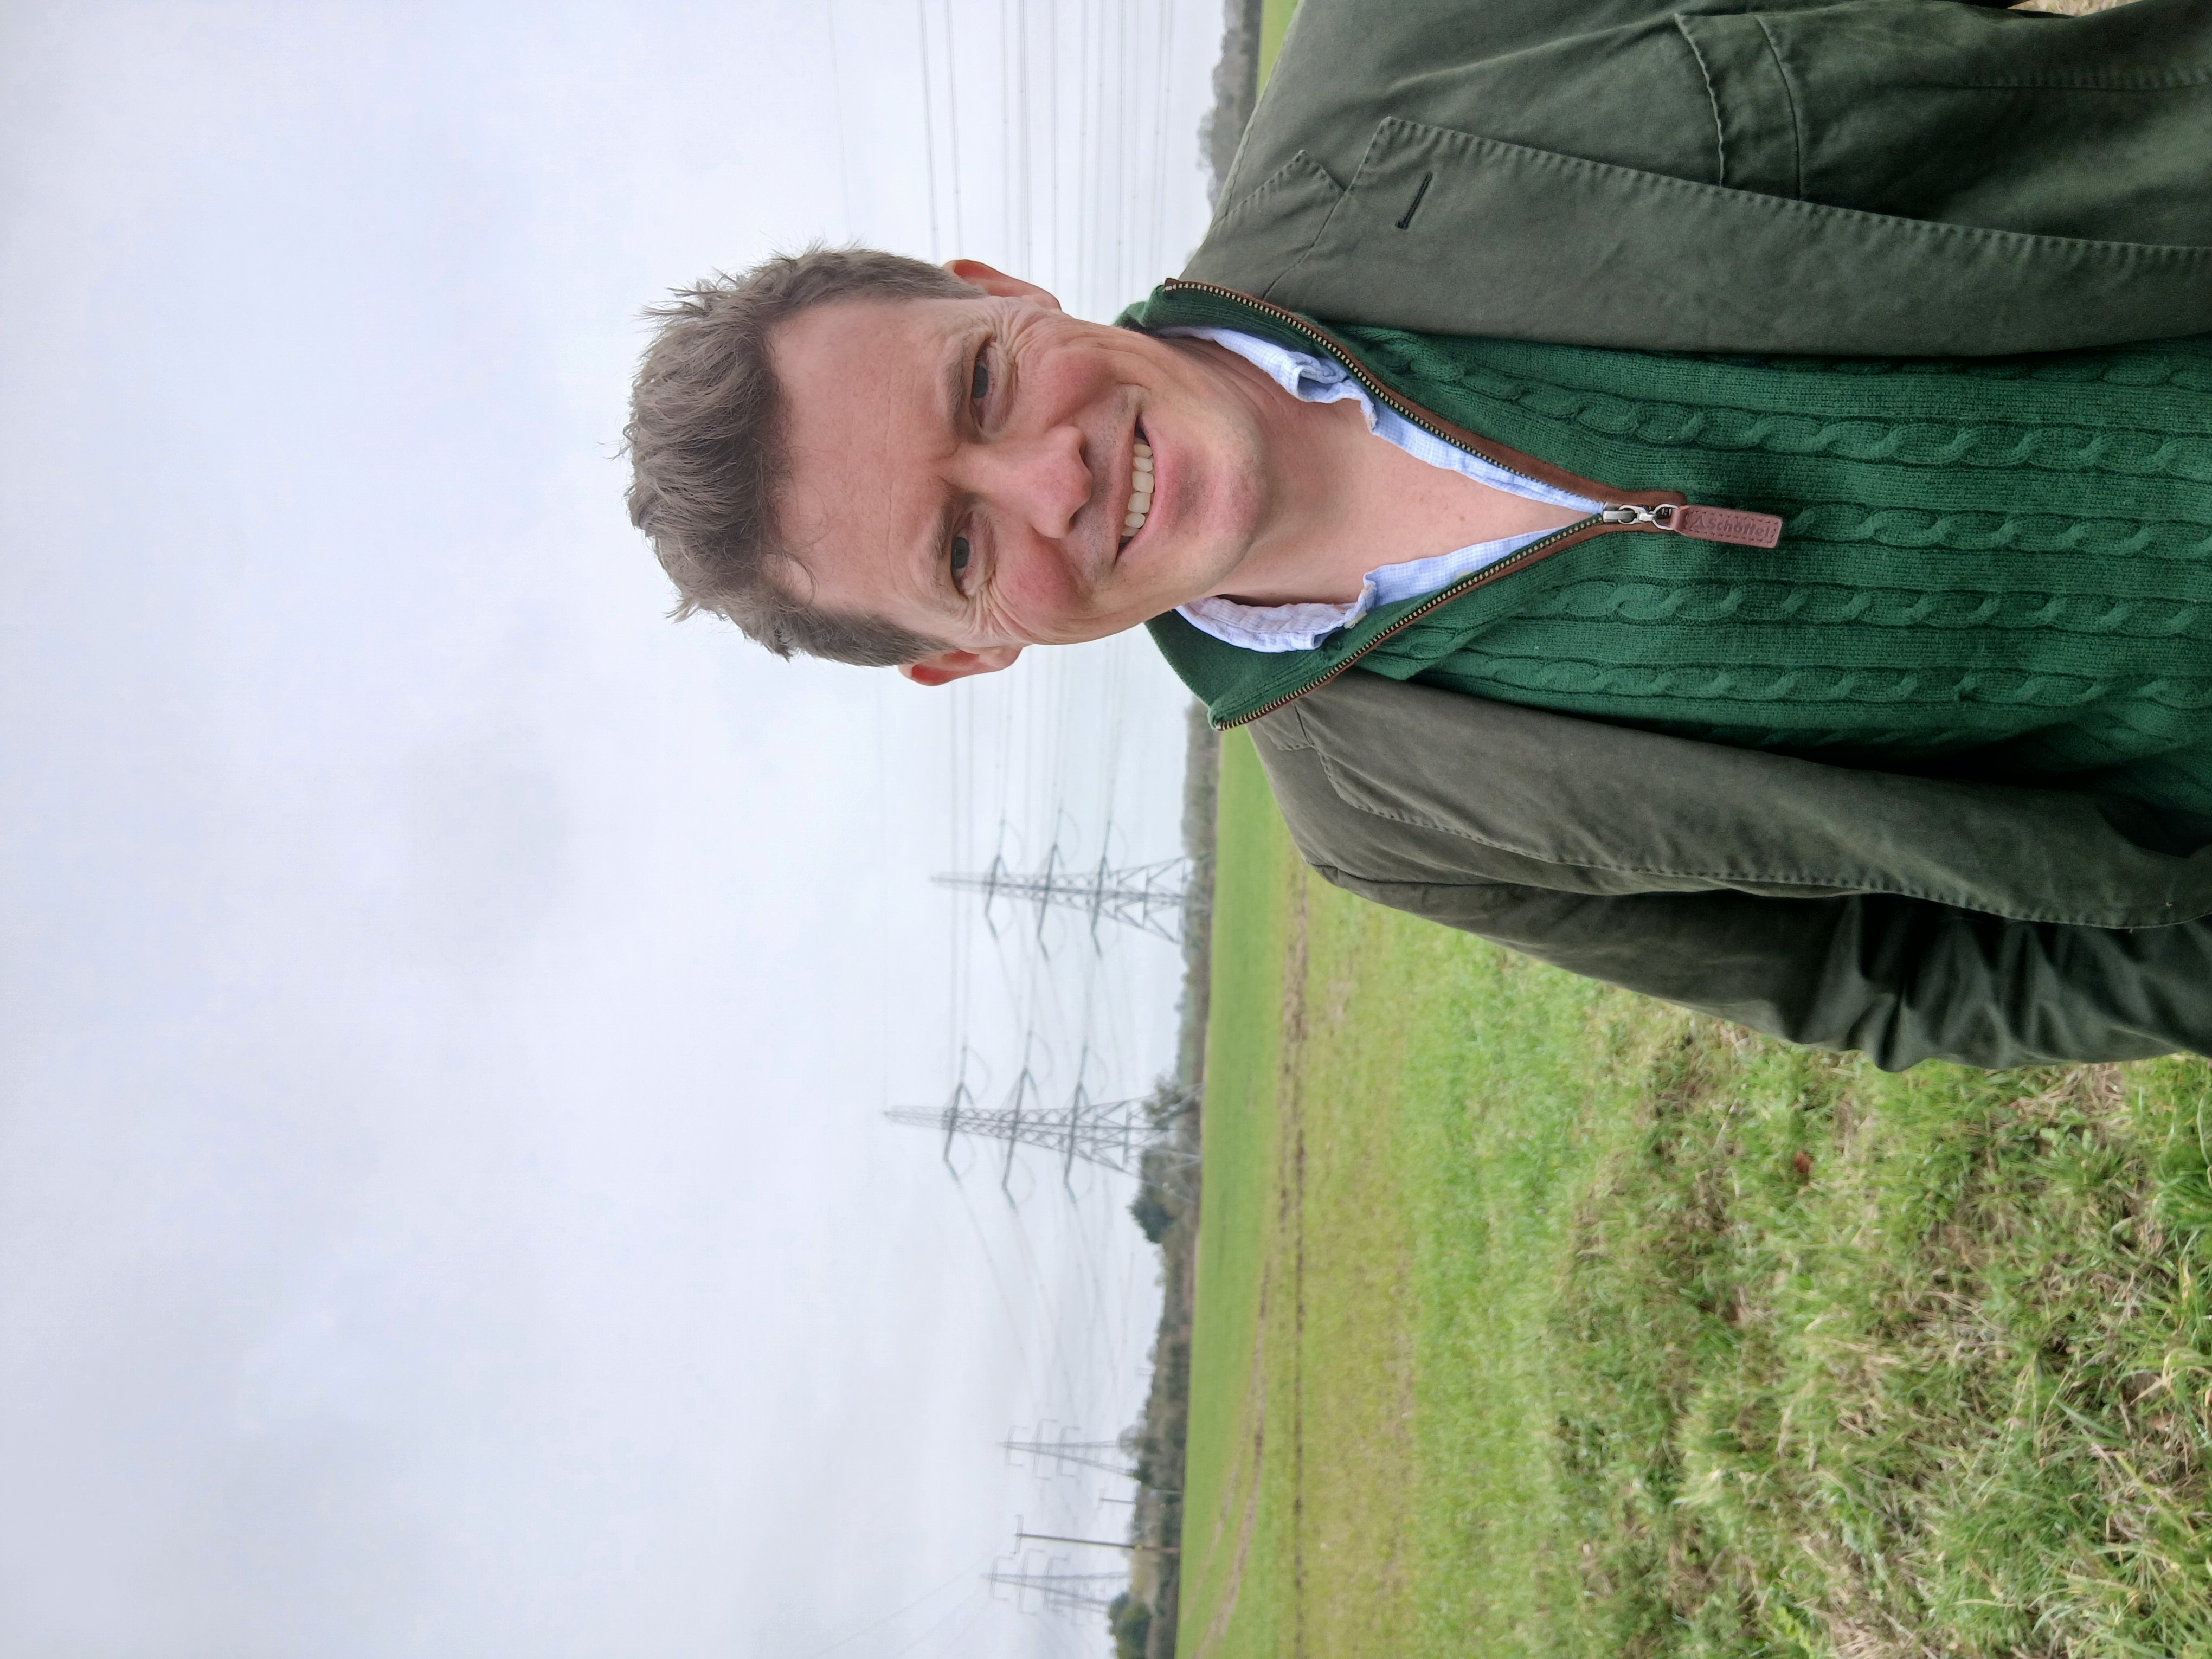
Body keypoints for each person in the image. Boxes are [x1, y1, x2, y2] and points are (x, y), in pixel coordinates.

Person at [624, 0, 2212, 1071]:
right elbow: (1895, 982)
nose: (1047, 478)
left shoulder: (1405, 57)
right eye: (962, 549)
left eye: (984, 384)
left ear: (999, 290)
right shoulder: (1383, 823)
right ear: (968, 653)